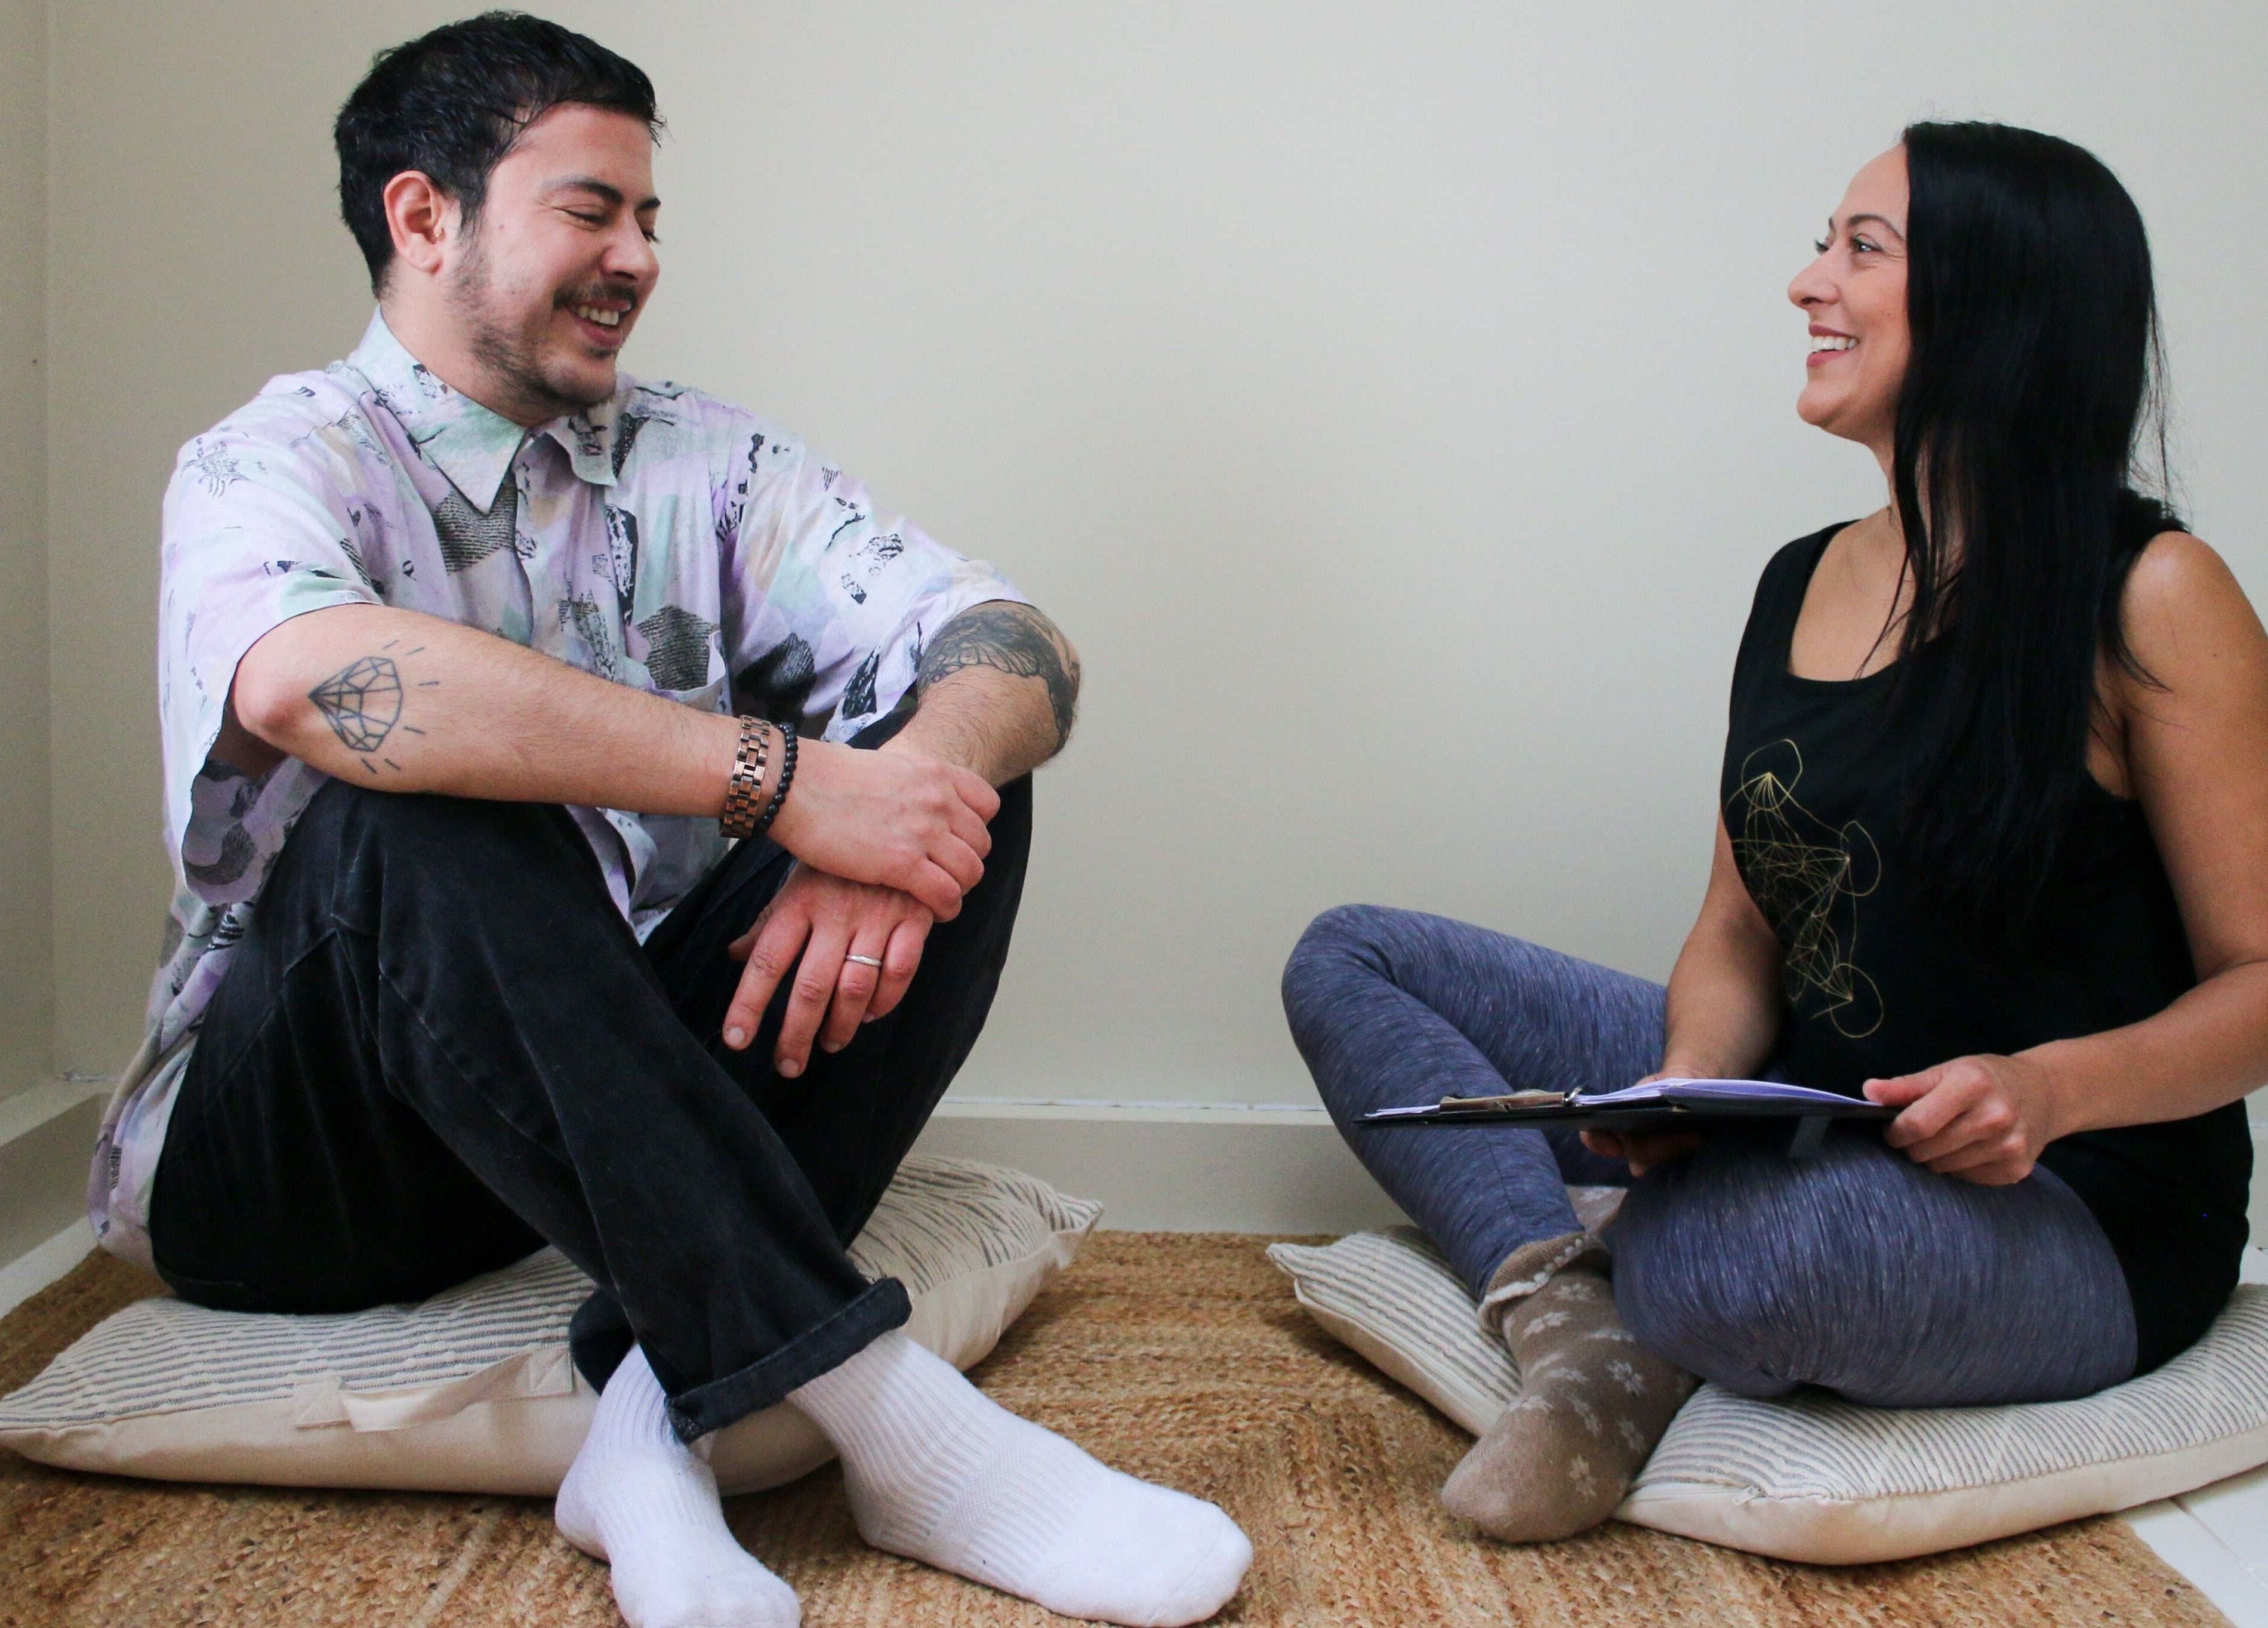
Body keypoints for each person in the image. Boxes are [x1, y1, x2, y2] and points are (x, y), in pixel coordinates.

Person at [94, 14, 1250, 1627]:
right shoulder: (269, 460)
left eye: (650, 220)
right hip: (297, 1167)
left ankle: (643, 1423)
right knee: (417, 810)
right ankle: (894, 1425)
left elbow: (1013, 638)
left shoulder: (697, 461)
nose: (637, 257)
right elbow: (310, 685)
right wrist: (781, 780)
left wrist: (896, 795)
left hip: (581, 1110)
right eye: (590, 211)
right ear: (426, 217)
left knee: (953, 783)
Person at [1283, 121, 2268, 1544]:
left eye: (1860, 248)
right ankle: (1575, 1317)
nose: (1807, 282)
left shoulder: (2155, 593)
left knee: (1737, 1263)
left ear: (1997, 302)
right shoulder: (1799, 580)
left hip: (2072, 1198)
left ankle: (1644, 1304)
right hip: (1807, 1109)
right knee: (1352, 957)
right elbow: (1740, 927)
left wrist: (2045, 1089)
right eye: (1826, 242)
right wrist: (1684, 1089)